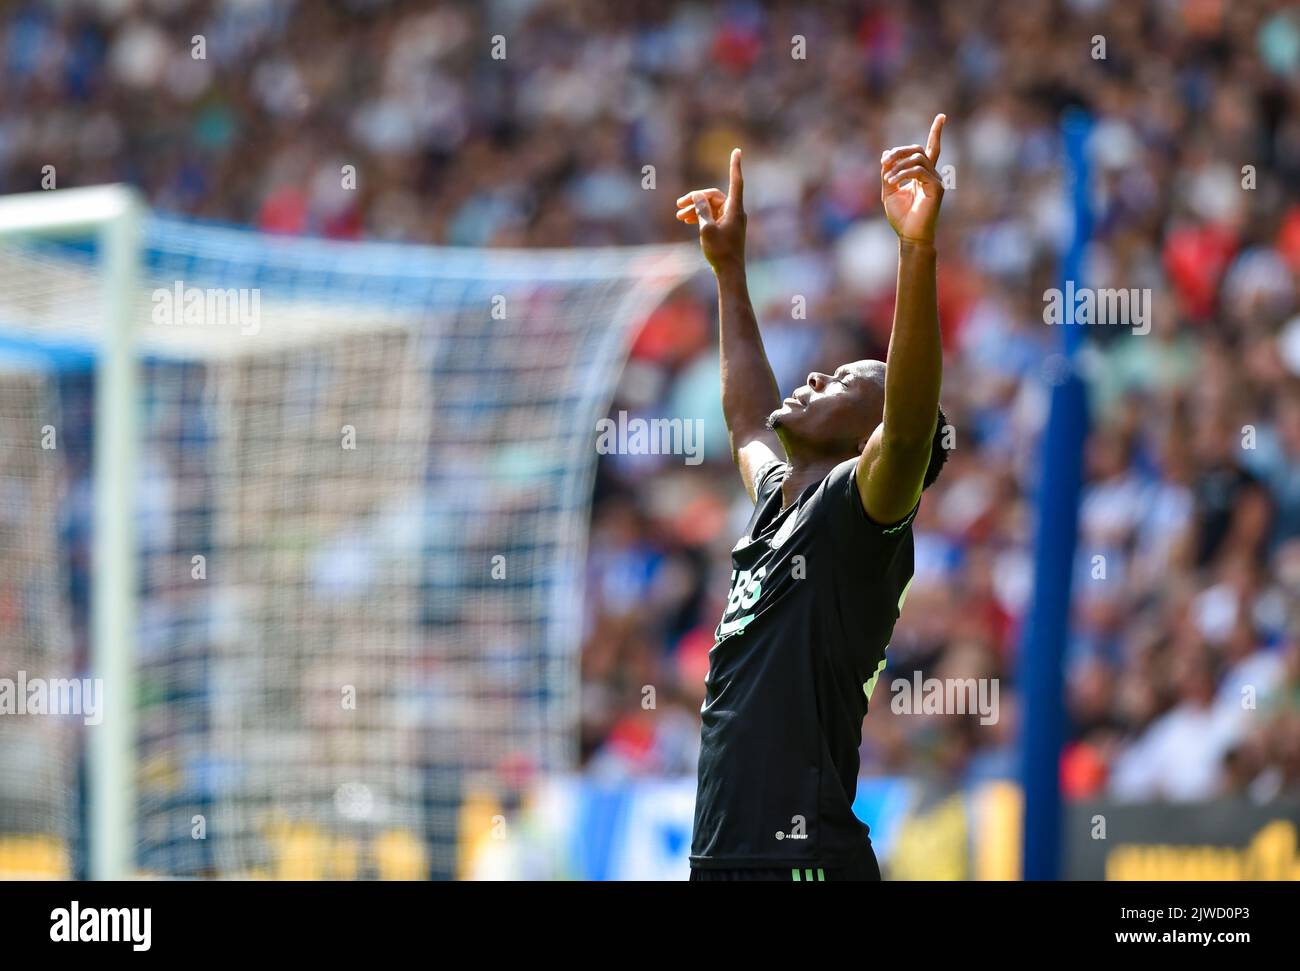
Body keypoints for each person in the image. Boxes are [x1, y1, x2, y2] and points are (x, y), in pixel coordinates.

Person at [676, 115, 951, 881]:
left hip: (803, 863)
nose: (814, 378)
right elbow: (744, 418)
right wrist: (729, 270)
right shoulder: (777, 504)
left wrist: (915, 249)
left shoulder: (855, 518)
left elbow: (906, 430)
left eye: (841, 383)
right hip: (725, 860)